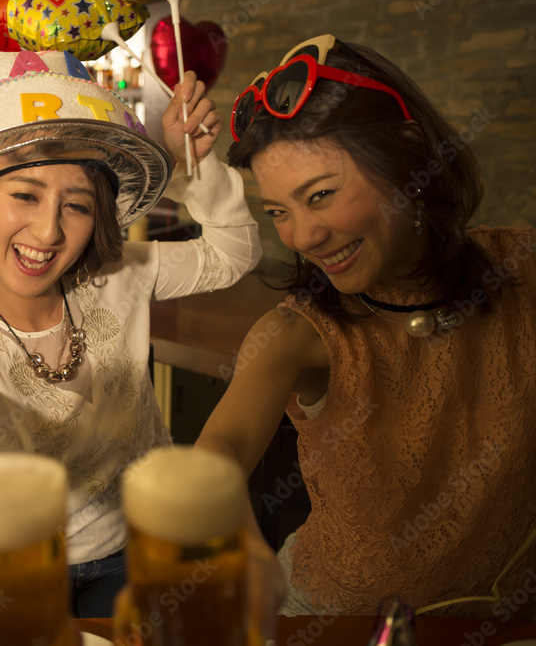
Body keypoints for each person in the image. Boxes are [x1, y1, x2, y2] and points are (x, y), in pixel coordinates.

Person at [0, 44, 262, 621]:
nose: (47, 232)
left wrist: (192, 166)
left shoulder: (118, 277)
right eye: (24, 195)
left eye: (76, 205)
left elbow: (233, 252)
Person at [196, 33, 536, 619]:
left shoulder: (523, 268)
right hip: (328, 622)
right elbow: (213, 458)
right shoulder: (297, 335)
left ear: (409, 156)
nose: (302, 236)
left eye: (321, 194)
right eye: (279, 211)